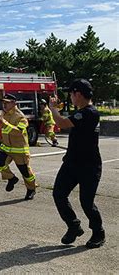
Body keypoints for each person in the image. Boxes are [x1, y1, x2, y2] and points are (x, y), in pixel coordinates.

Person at [49, 79, 105, 248]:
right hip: (72, 163)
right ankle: (73, 225)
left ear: (78, 94)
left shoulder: (90, 112)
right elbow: (67, 122)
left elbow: (61, 123)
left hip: (89, 165)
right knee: (59, 194)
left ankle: (98, 232)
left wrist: (52, 109)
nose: (70, 97)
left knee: (86, 202)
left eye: (71, 94)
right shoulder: (81, 112)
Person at [0, 94, 36, 200]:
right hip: (6, 148)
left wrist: (5, 123)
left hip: (19, 150)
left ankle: (31, 189)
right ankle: (11, 178)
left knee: (26, 172)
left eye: (7, 102)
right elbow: (4, 132)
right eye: (3, 102)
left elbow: (19, 132)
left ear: (14, 103)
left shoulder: (20, 117)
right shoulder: (5, 114)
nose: (4, 104)